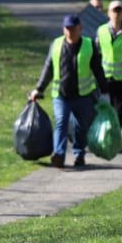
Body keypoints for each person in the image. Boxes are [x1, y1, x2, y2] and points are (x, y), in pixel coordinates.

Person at [29, 14, 108, 168]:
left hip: (83, 96)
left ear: (80, 29)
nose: (70, 32)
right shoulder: (56, 44)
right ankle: (59, 154)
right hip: (61, 95)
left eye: (73, 28)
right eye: (67, 28)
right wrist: (38, 89)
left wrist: (104, 92)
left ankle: (79, 154)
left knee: (81, 127)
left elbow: (98, 70)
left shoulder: (89, 45)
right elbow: (48, 68)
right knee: (61, 123)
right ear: (63, 29)